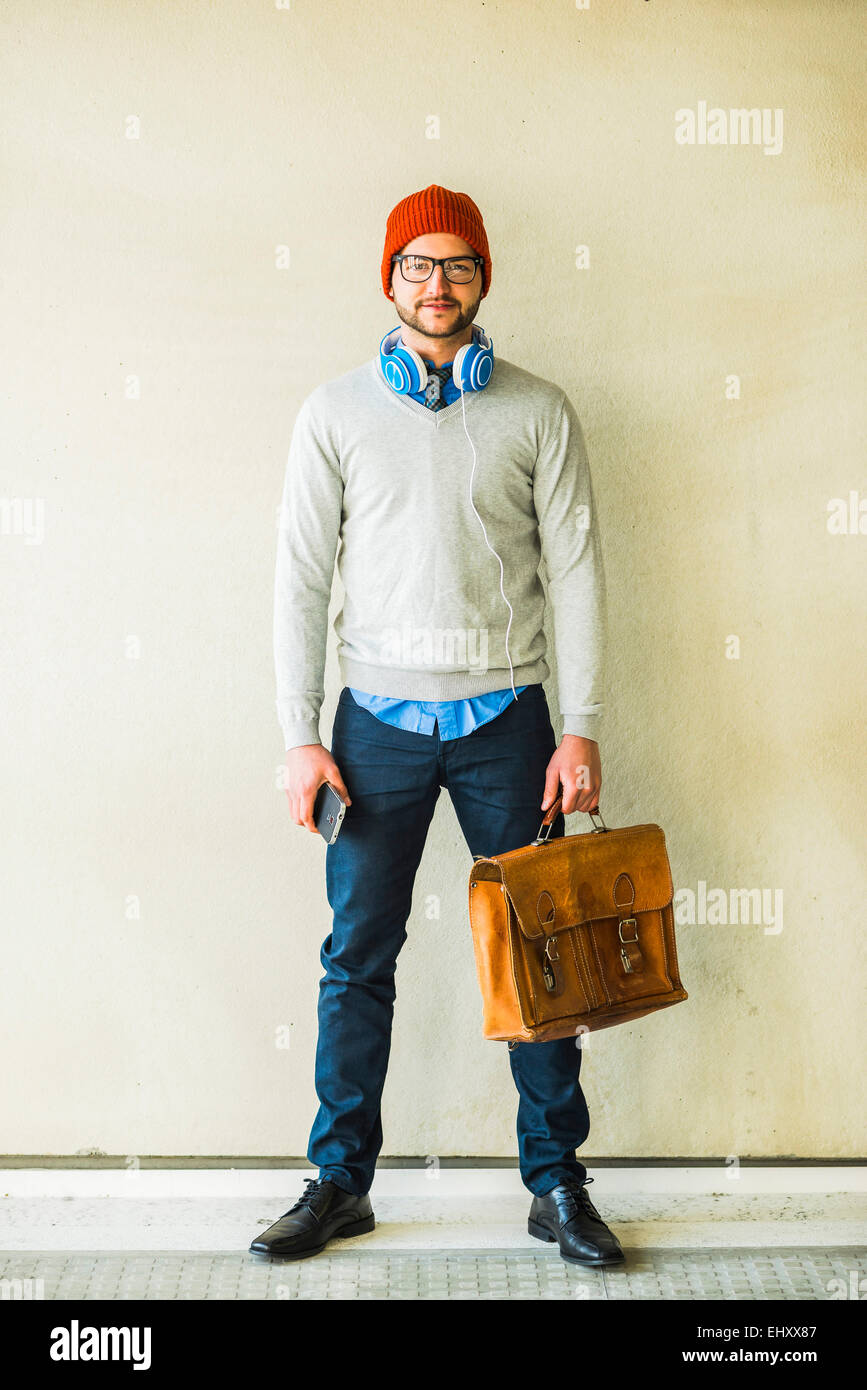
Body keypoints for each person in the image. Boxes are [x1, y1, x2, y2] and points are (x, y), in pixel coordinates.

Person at [251, 184, 624, 1267]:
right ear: (390, 278)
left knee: (543, 953)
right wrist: (298, 731)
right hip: (372, 728)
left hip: (512, 722)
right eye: (417, 264)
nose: (438, 284)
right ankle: (338, 1180)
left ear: (483, 278)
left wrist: (583, 724)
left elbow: (582, 576)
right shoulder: (332, 413)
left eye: (457, 264)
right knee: (357, 955)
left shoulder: (540, 410)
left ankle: (558, 1184)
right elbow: (299, 578)